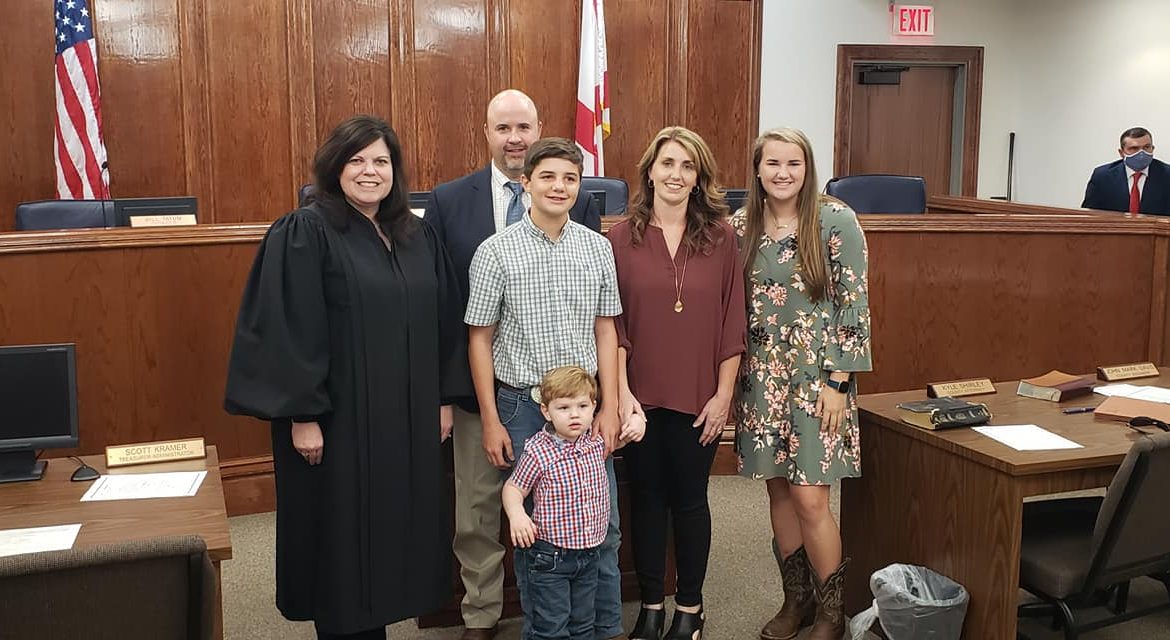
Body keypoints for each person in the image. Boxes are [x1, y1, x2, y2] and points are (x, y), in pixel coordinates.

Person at [223, 115, 467, 640]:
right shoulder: (305, 232)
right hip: (337, 423)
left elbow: (445, 319)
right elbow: (290, 327)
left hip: (404, 421)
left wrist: (443, 399)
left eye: (381, 161)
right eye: (356, 160)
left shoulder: (415, 234)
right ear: (334, 167)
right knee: (341, 543)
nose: (369, 171)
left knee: (391, 535)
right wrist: (303, 414)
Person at [424, 89, 600, 640]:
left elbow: (592, 304)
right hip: (480, 387)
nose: (515, 138)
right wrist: (446, 397)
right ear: (486, 133)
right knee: (478, 508)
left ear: (538, 130)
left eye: (524, 127)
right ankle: (480, 613)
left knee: (559, 503)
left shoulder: (576, 200)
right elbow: (441, 305)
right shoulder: (449, 201)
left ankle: (548, 612)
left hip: (563, 393)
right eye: (503, 128)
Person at [464, 137, 626, 640]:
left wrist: (610, 406)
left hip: (584, 408)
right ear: (526, 182)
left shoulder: (597, 247)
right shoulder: (495, 251)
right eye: (549, 177)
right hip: (522, 406)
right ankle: (547, 632)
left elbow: (606, 329)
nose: (559, 187)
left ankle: (604, 629)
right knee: (537, 534)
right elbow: (479, 338)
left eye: (570, 178)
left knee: (603, 525)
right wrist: (490, 419)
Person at [731, 127, 872, 640]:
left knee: (810, 498)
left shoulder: (835, 219)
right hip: (761, 378)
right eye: (773, 163)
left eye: (794, 163)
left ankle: (832, 612)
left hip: (819, 380)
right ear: (757, 169)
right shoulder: (740, 225)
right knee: (779, 492)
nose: (783, 172)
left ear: (807, 168)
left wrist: (840, 382)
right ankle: (797, 601)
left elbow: (854, 303)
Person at [607, 127, 746, 640]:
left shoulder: (722, 238)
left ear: (699, 178)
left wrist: (724, 397)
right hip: (637, 396)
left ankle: (689, 607)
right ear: (649, 172)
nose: (676, 174)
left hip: (699, 395)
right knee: (646, 499)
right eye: (667, 163)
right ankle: (651, 606)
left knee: (690, 500)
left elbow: (733, 322)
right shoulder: (619, 238)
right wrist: (621, 396)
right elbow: (612, 324)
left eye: (688, 166)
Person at [504, 366, 645, 640]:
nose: (574, 415)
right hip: (550, 558)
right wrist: (517, 515)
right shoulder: (538, 450)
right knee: (551, 626)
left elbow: (628, 434)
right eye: (563, 408)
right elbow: (513, 488)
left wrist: (638, 423)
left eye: (582, 406)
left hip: (589, 555)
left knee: (583, 623)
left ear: (594, 407)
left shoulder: (596, 440)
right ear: (546, 411)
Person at [1082, 126, 1170, 215]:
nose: (1142, 153)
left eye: (1146, 147)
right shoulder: (1102, 176)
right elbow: (1089, 213)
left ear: (1153, 148)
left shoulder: (1167, 174)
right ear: (1121, 153)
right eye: (1134, 148)